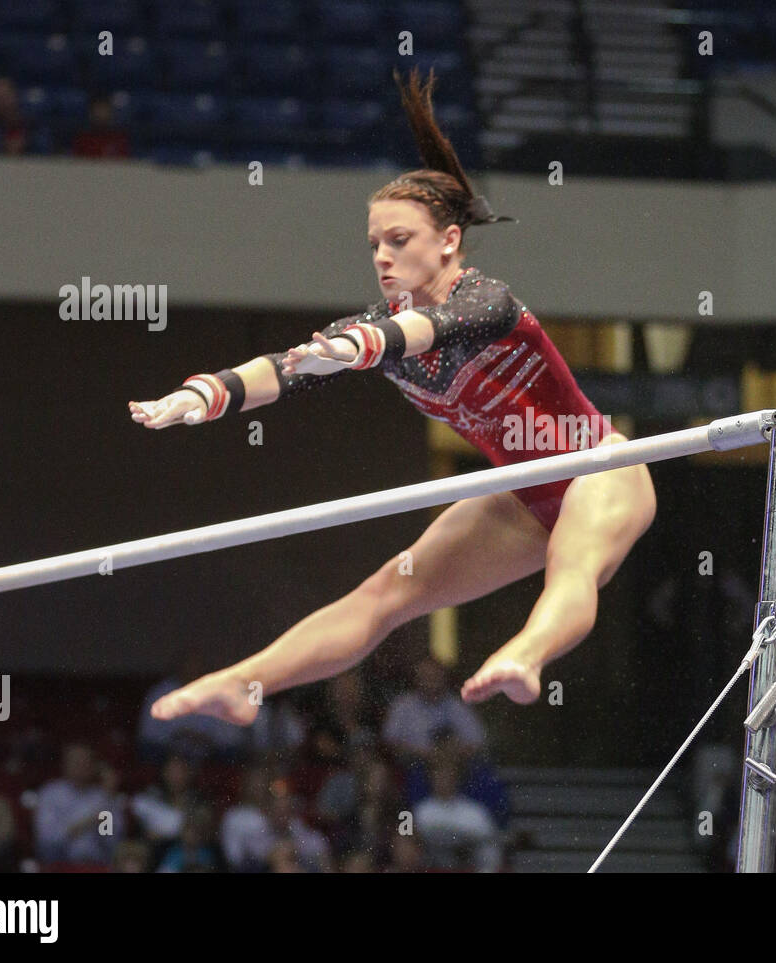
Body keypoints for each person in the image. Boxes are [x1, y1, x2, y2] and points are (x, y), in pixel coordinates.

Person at [132, 68, 655, 724]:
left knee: (571, 565)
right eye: (374, 243)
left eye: (399, 240)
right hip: (519, 492)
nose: (381, 256)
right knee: (385, 592)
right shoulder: (374, 329)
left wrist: (350, 350)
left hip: (599, 467)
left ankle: (526, 653)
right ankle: (243, 682)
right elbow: (283, 368)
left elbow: (427, 330)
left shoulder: (486, 301)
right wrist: (205, 395)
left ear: (449, 241)